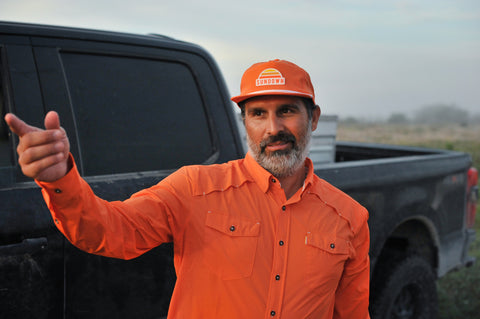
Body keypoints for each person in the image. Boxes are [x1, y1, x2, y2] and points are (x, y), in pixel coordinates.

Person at [5, 59, 370, 318]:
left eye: (286, 110)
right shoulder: (195, 188)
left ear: (314, 118)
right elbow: (107, 231)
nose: (272, 128)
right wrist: (59, 178)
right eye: (258, 114)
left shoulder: (349, 218)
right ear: (245, 123)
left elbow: (351, 314)